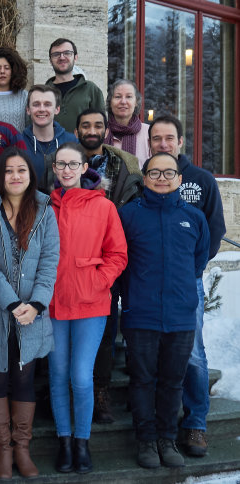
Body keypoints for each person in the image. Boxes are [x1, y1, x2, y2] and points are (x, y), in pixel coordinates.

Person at [0, 147, 59, 479]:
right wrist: (12, 303)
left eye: (21, 170)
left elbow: (50, 261)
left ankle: (22, 447)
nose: (15, 176)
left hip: (32, 312)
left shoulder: (45, 211)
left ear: (31, 176)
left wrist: (36, 304)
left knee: (24, 379)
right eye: (8, 171)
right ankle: (3, 449)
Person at [118, 152, 209, 469]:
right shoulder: (128, 215)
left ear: (179, 179)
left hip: (181, 316)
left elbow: (198, 261)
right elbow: (120, 261)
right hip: (140, 314)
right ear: (144, 178)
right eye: (154, 172)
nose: (162, 178)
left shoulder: (194, 218)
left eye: (169, 172)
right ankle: (146, 441)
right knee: (143, 380)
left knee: (173, 381)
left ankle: (167, 439)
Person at [148, 114, 226, 457]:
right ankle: (157, 424)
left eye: (169, 138)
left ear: (180, 142)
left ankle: (195, 424)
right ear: (149, 143)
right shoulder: (143, 179)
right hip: (149, 286)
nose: (163, 144)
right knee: (153, 354)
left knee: (193, 354)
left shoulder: (201, 180)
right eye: (157, 138)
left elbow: (215, 231)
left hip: (187, 284)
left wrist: (191, 270)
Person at [48, 142, 127, 474]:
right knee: (57, 375)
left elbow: (117, 254)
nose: (66, 170)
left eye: (73, 164)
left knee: (81, 376)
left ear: (84, 168)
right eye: (61, 164)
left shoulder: (103, 206)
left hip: (90, 303)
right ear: (54, 169)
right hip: (52, 304)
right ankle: (64, 442)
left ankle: (82, 441)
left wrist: (99, 280)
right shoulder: (45, 206)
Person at [75, 108, 143, 423]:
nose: (92, 130)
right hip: (70, 263)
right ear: (76, 131)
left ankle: (100, 391)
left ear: (106, 131)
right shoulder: (63, 162)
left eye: (98, 126)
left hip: (107, 262)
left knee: (104, 331)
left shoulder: (125, 165)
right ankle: (67, 390)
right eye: (85, 125)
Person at [21, 84, 77, 187]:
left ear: (57, 109)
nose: (42, 109)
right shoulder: (18, 143)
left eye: (47, 104)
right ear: (28, 109)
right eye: (36, 104)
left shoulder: (72, 142)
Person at [45, 38, 105, 133]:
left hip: (82, 143)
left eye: (67, 53)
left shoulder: (91, 89)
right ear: (50, 60)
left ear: (75, 57)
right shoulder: (43, 92)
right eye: (56, 54)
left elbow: (101, 126)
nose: (62, 57)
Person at [104, 79, 150, 168]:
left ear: (136, 102)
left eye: (129, 97)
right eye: (118, 97)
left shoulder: (148, 133)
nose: (123, 101)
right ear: (110, 102)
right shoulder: (101, 132)